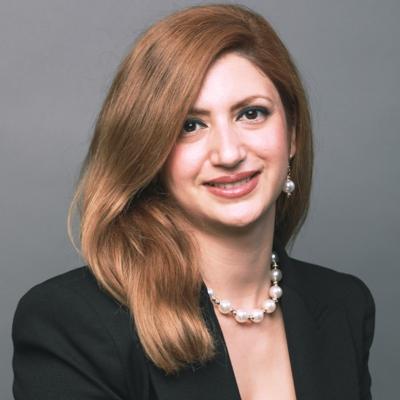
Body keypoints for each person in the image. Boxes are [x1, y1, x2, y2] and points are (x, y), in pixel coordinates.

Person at [12, 4, 375, 400]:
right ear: (149, 151)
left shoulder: (343, 305)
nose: (229, 153)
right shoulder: (73, 323)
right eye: (190, 125)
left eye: (251, 113)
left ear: (293, 134)